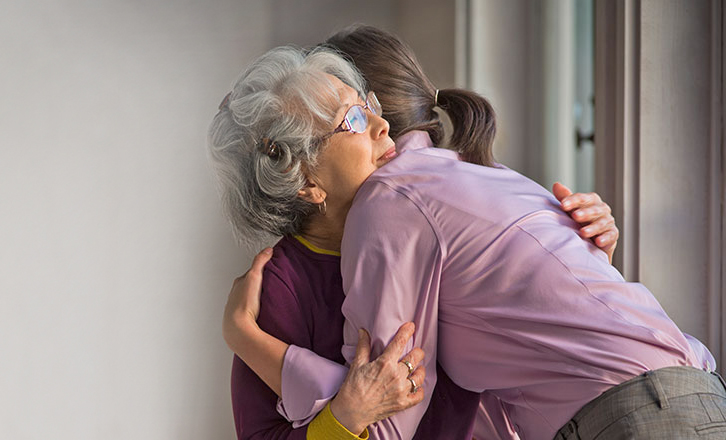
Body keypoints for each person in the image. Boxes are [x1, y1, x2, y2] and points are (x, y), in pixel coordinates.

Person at [219, 27, 724, 439]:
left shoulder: (396, 206)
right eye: (351, 118)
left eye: (370, 104)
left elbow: (391, 421)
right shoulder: (281, 284)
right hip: (681, 396)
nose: (379, 127)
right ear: (305, 179)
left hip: (638, 414)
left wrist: (247, 340)